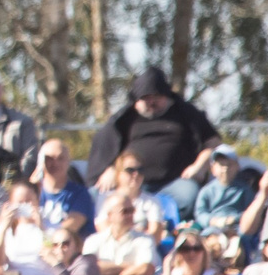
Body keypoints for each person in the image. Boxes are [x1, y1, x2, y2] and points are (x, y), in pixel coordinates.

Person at [85, 66, 221, 204]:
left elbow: (213, 141)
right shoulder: (124, 120)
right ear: (136, 101)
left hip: (175, 183)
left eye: (157, 97)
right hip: (132, 182)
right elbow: (106, 149)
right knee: (95, 194)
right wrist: (111, 169)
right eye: (146, 98)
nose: (152, 102)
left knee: (189, 196)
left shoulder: (186, 113)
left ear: (167, 96)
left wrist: (199, 166)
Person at [191, 148, 258, 247]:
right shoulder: (207, 191)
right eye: (221, 165)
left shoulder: (244, 190)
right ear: (213, 169)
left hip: (236, 228)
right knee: (208, 241)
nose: (225, 168)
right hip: (213, 228)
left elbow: (251, 211)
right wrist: (212, 221)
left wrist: (234, 219)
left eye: (229, 165)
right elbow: (200, 213)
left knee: (240, 240)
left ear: (237, 167)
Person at [31, 138, 96, 233]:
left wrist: (42, 229)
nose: (55, 163)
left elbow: (71, 227)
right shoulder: (33, 191)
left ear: (68, 162)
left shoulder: (80, 194)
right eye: (49, 158)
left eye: (60, 158)